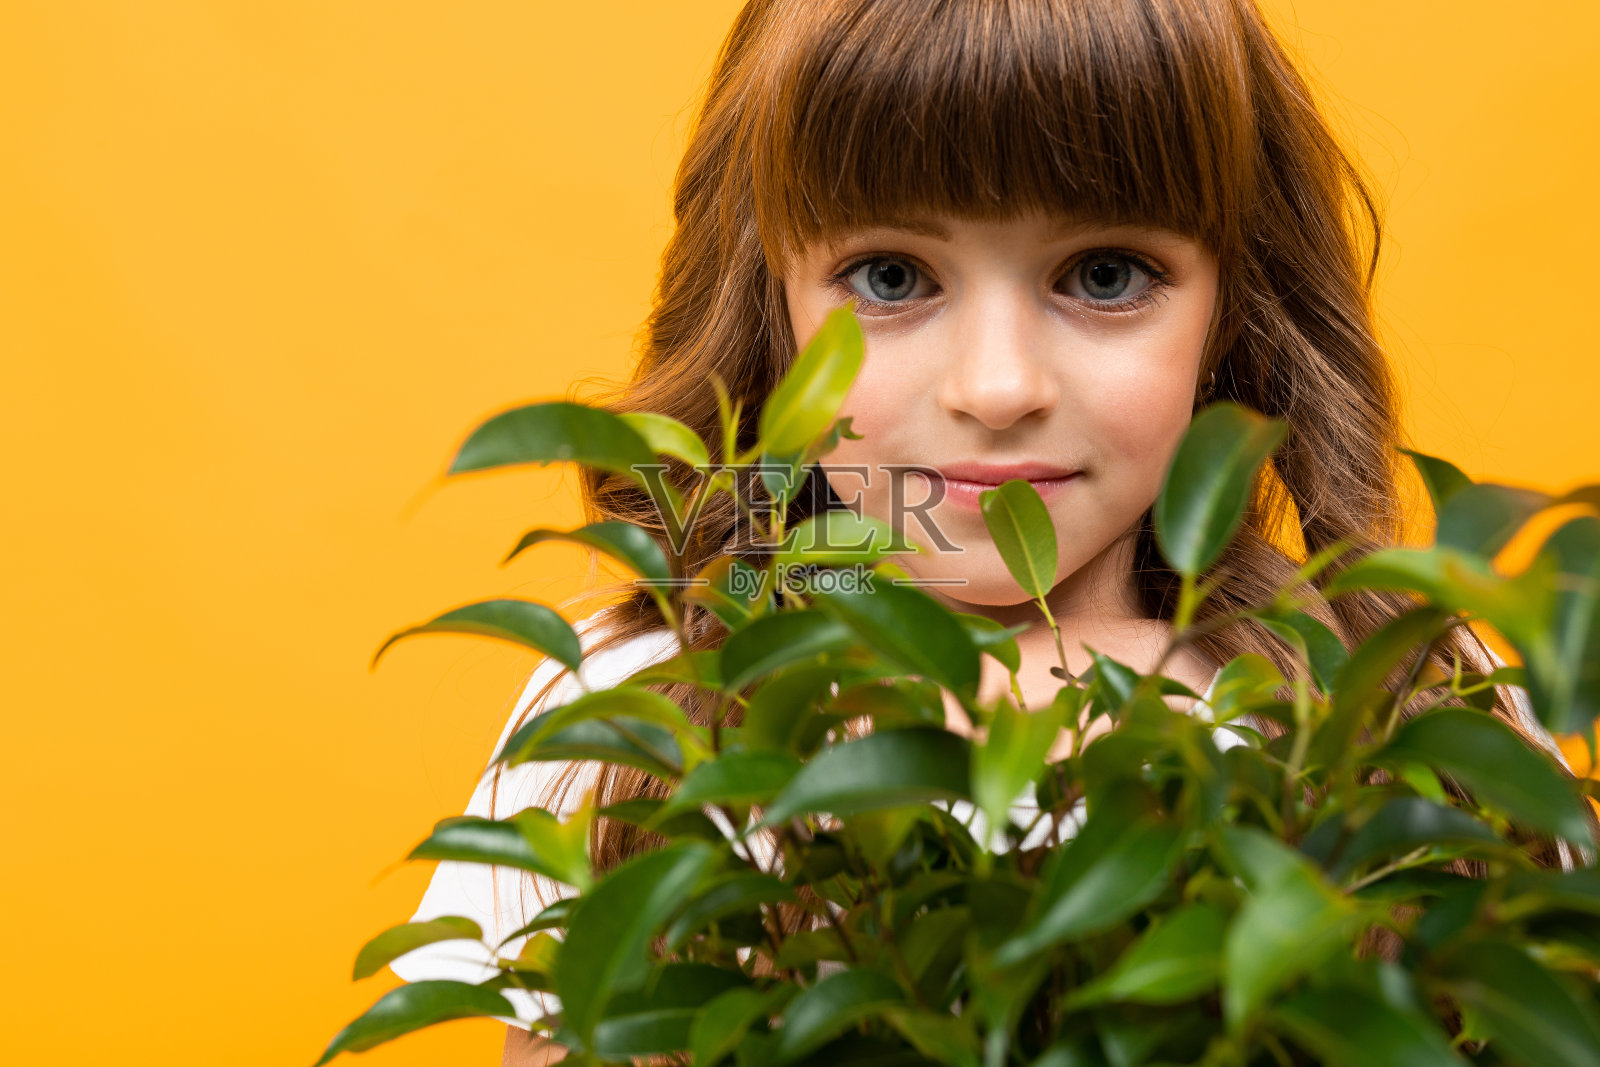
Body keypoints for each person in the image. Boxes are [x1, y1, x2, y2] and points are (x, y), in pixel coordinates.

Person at [388, 2, 1577, 1062]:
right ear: (771, 313)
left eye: (1105, 274)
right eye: (891, 278)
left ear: (1236, 300)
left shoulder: (1408, 695)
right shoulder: (635, 711)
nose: (997, 386)